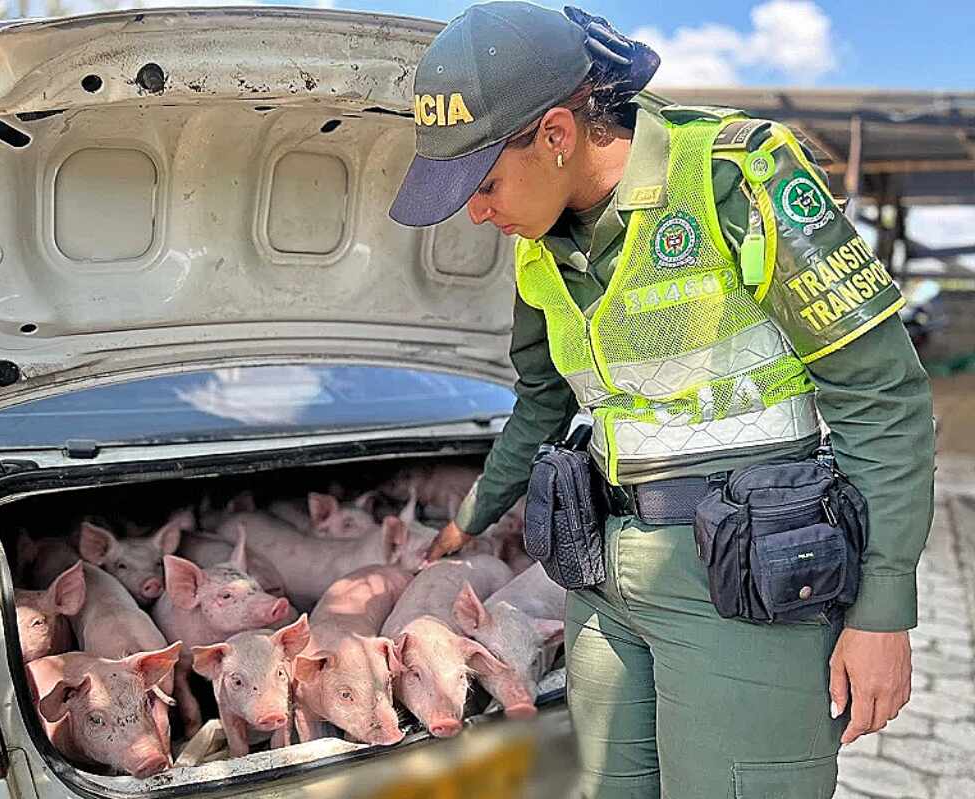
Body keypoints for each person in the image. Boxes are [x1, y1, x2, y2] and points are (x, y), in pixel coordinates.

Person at [389, 3, 935, 797]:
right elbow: (540, 403)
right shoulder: (540, 249)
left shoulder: (734, 179)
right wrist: (467, 519)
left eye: (483, 181)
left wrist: (883, 608)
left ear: (555, 134)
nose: (477, 210)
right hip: (607, 584)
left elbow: (881, 396)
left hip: (741, 585)